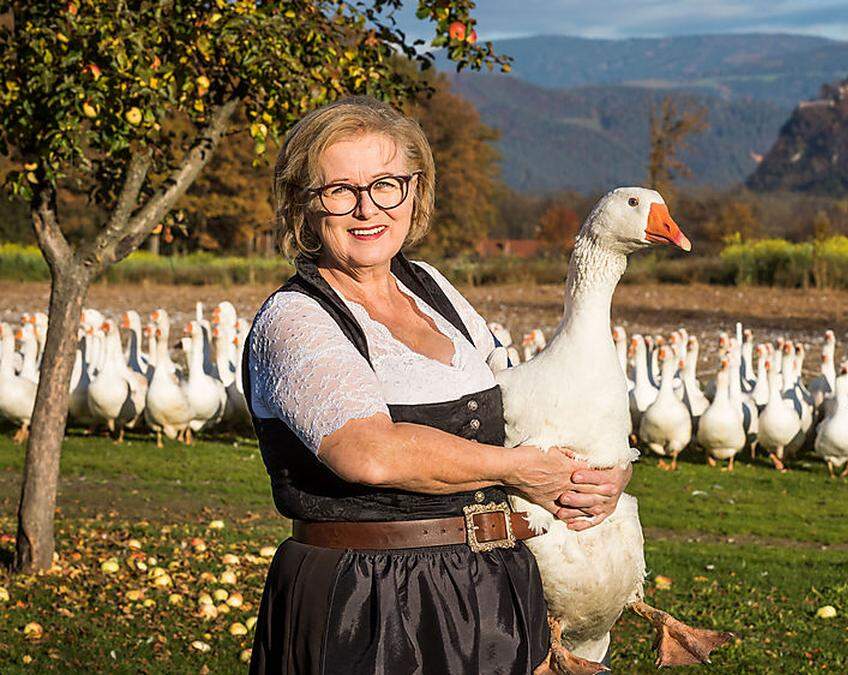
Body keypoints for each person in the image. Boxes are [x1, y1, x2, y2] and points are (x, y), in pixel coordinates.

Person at [244, 95, 632, 673]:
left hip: (488, 589)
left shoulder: (429, 287)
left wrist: (604, 472)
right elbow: (367, 452)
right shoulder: (295, 320)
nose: (366, 208)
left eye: (385, 184)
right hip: (372, 602)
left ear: (414, 192)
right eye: (339, 191)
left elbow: (520, 405)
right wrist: (515, 468)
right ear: (305, 207)